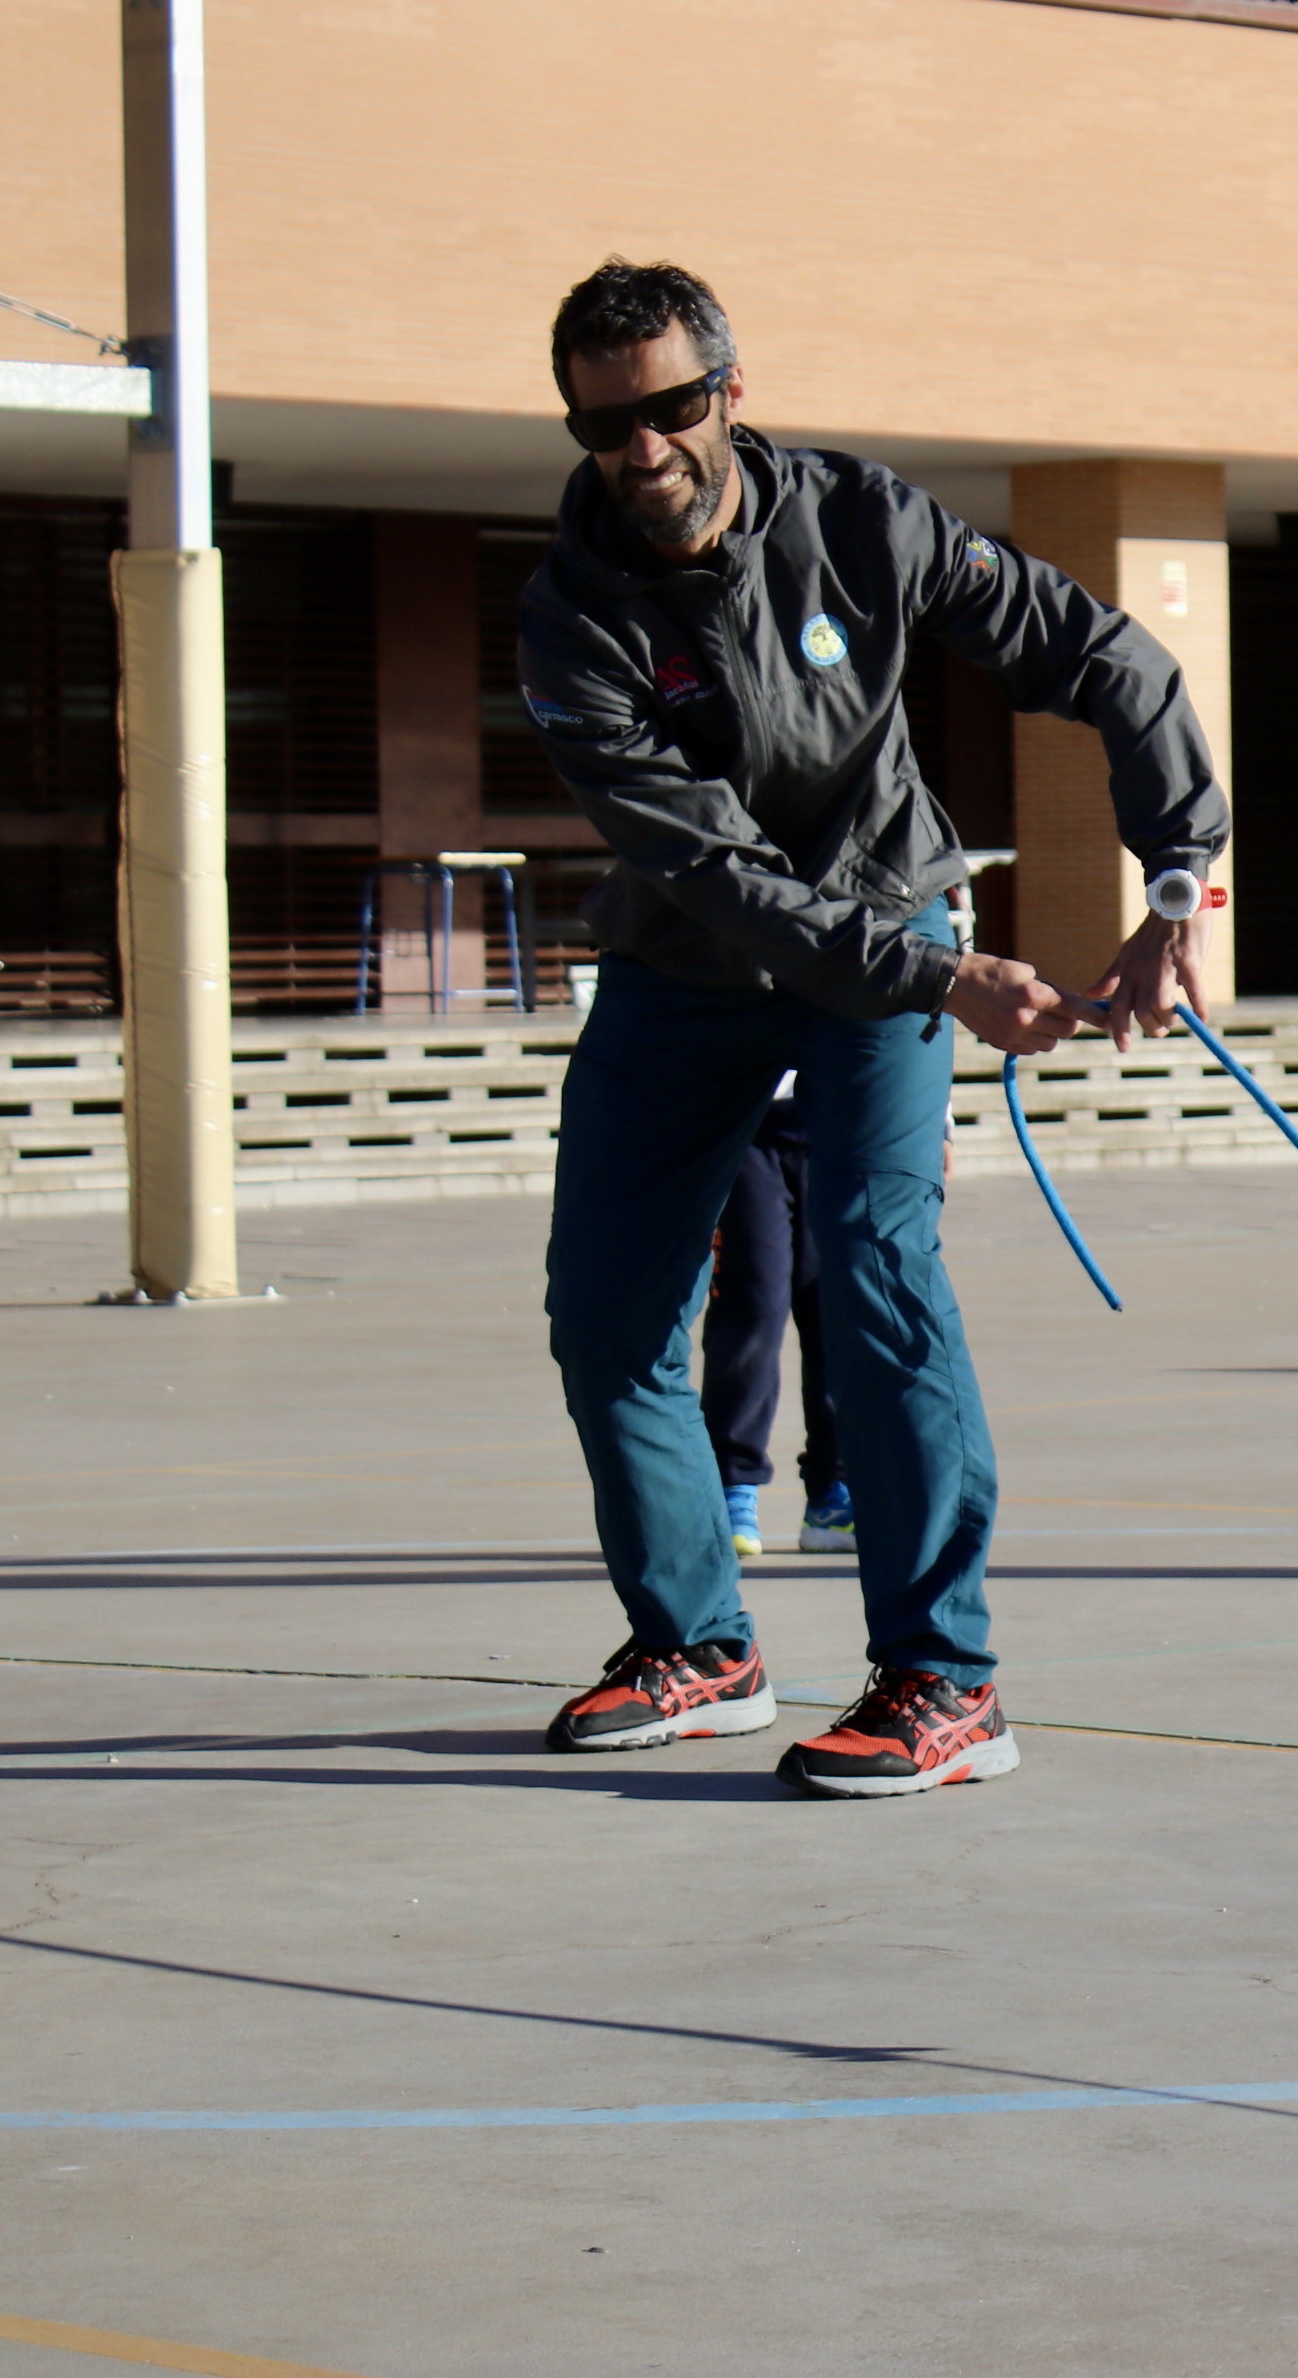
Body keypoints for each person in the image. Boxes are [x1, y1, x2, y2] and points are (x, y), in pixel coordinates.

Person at [518, 260, 1224, 1797]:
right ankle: (699, 1646)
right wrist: (944, 985)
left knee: (875, 1252)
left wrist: (1176, 883)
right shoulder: (573, 618)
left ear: (730, 391)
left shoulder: (861, 521)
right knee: (607, 1309)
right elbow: (712, 868)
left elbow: (1111, 659)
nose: (642, 450)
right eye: (604, 426)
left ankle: (942, 1680)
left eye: (670, 409)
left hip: (890, 916)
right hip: (691, 957)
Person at [699, 1085, 844, 1560]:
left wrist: (938, 1121)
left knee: (837, 1318)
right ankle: (731, 1483)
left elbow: (932, 1016)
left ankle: (834, 1492)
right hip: (746, 1122)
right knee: (751, 1310)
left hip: (844, 1115)